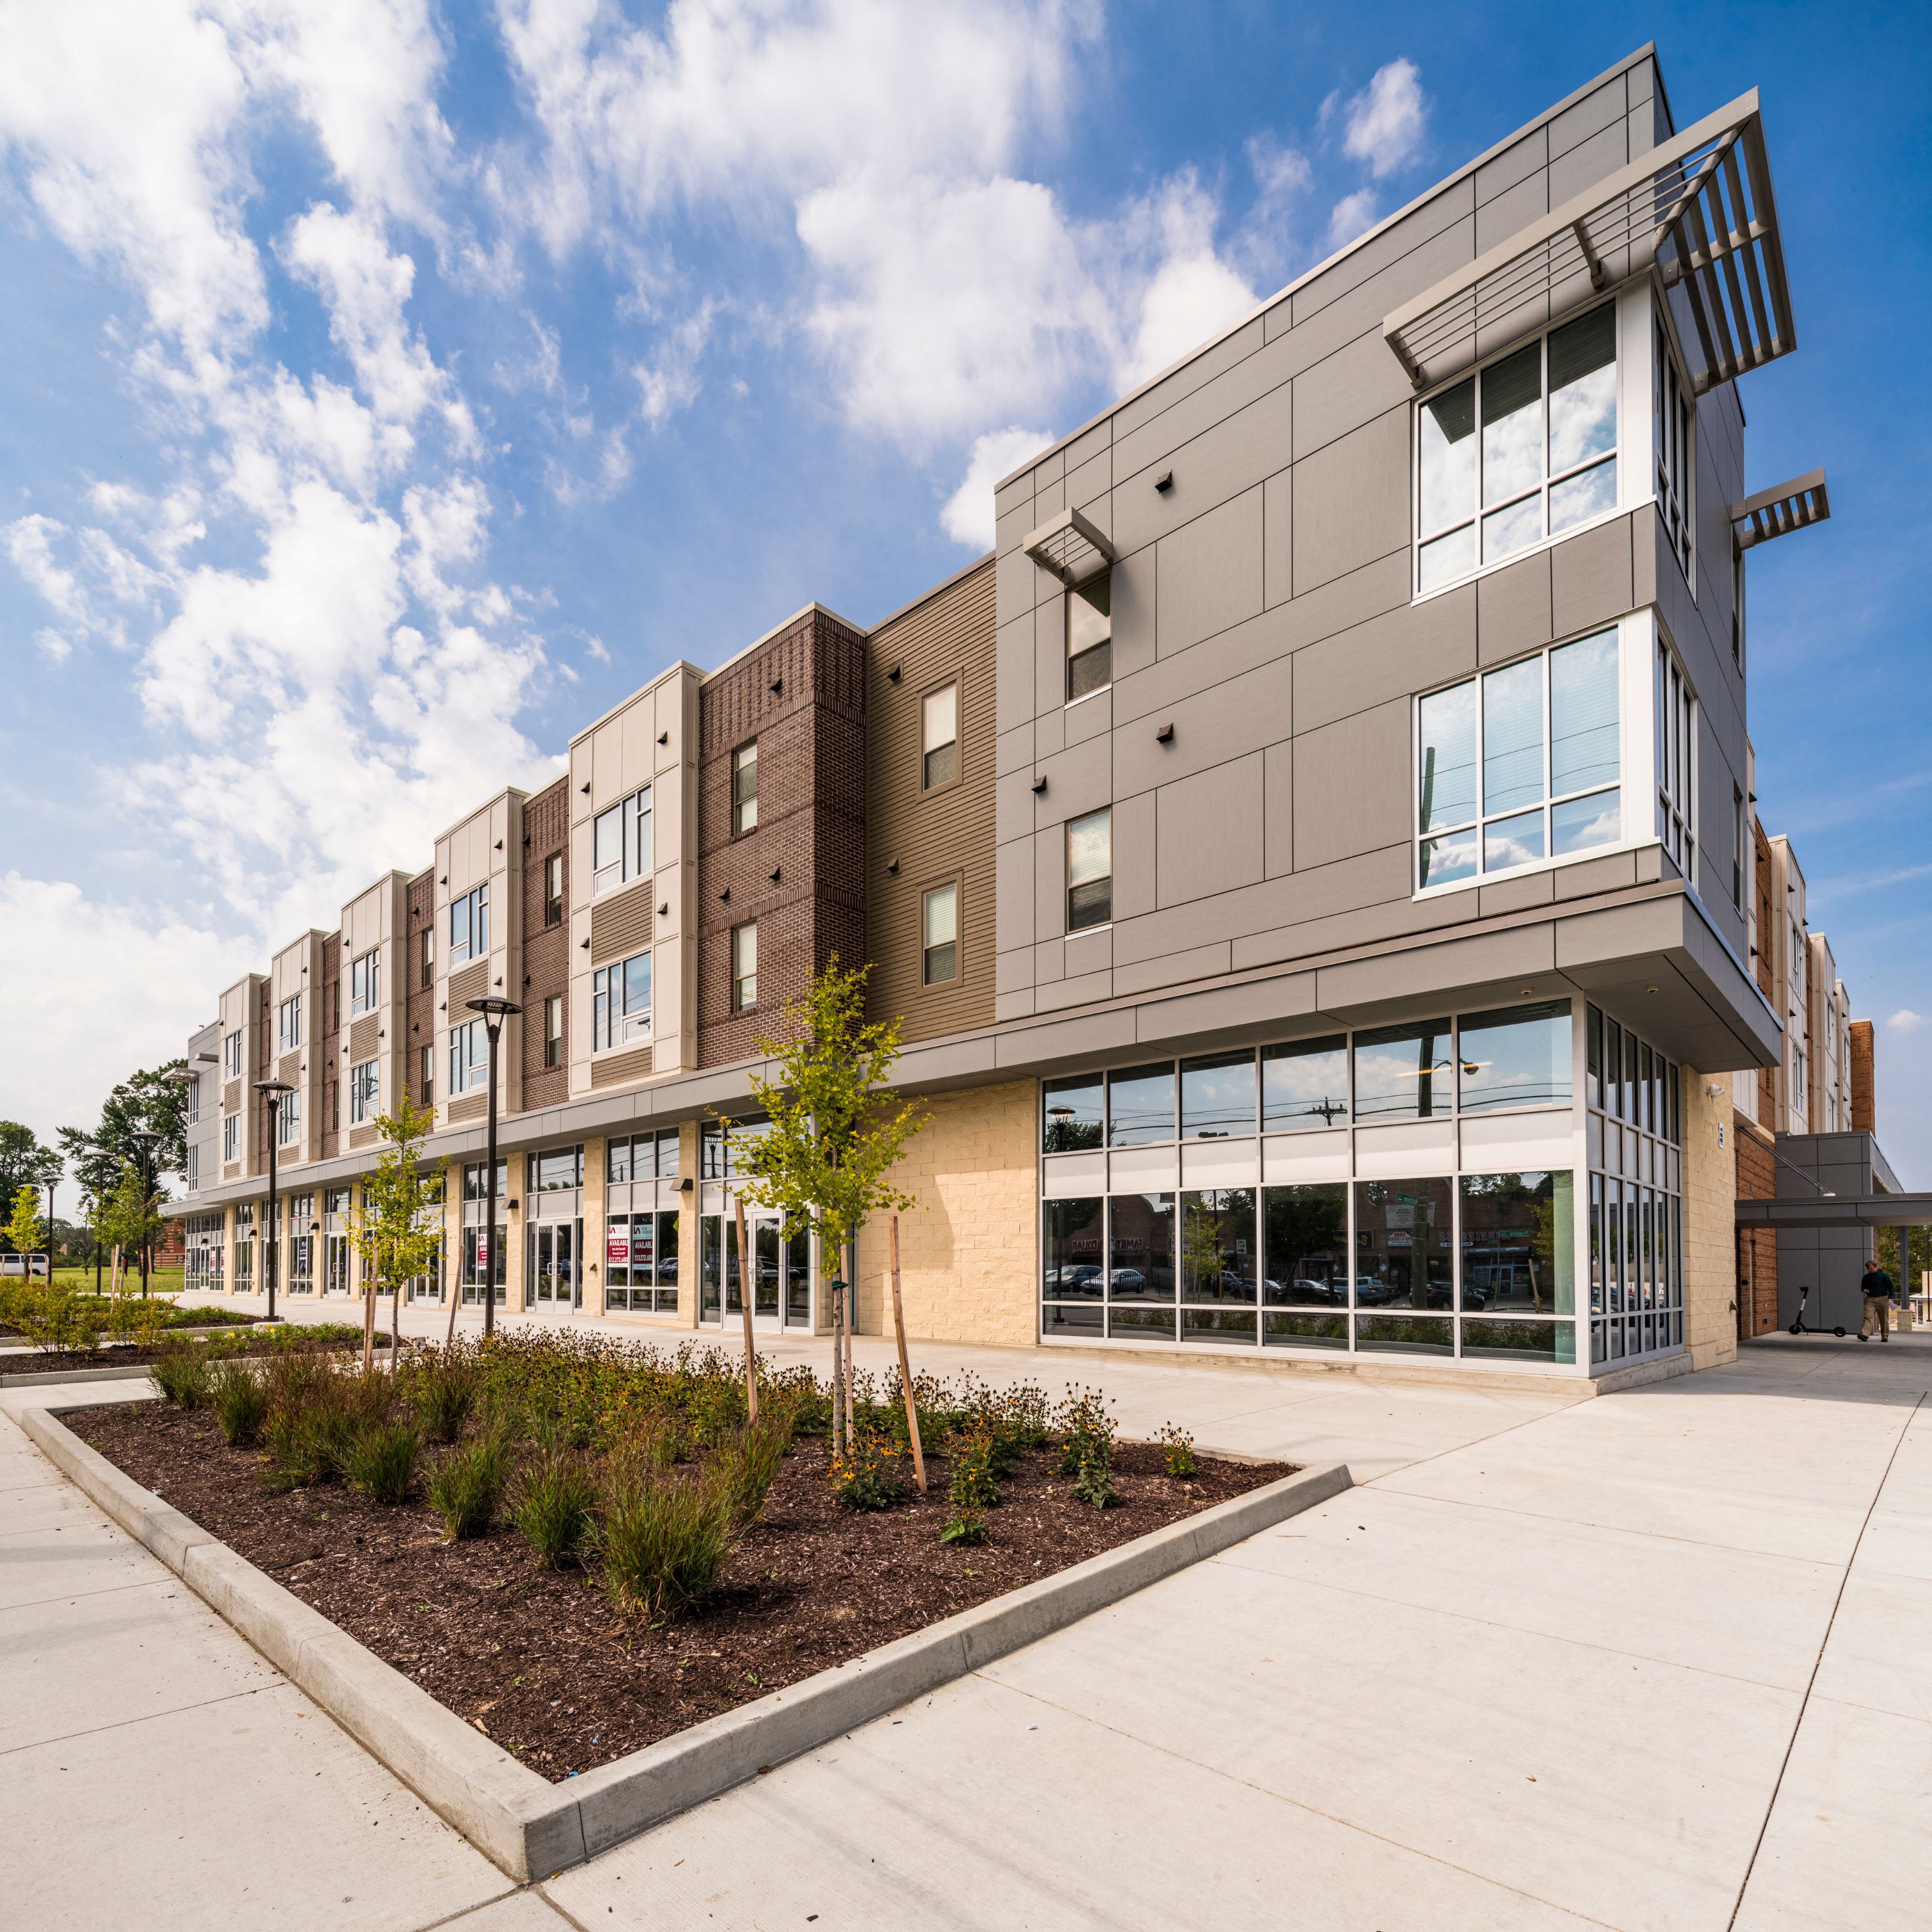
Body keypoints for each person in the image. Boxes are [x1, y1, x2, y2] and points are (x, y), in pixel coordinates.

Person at [1858, 1259, 1896, 1343]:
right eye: (1868, 1269)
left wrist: (1890, 1298)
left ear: (1876, 1267)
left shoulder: (1883, 1276)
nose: (1869, 1270)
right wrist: (1865, 1290)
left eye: (1871, 1268)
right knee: (1867, 1317)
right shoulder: (1866, 1277)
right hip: (1870, 1299)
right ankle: (1864, 1335)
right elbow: (1862, 1288)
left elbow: (1891, 1287)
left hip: (1883, 1298)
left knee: (1884, 1319)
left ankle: (1885, 1336)